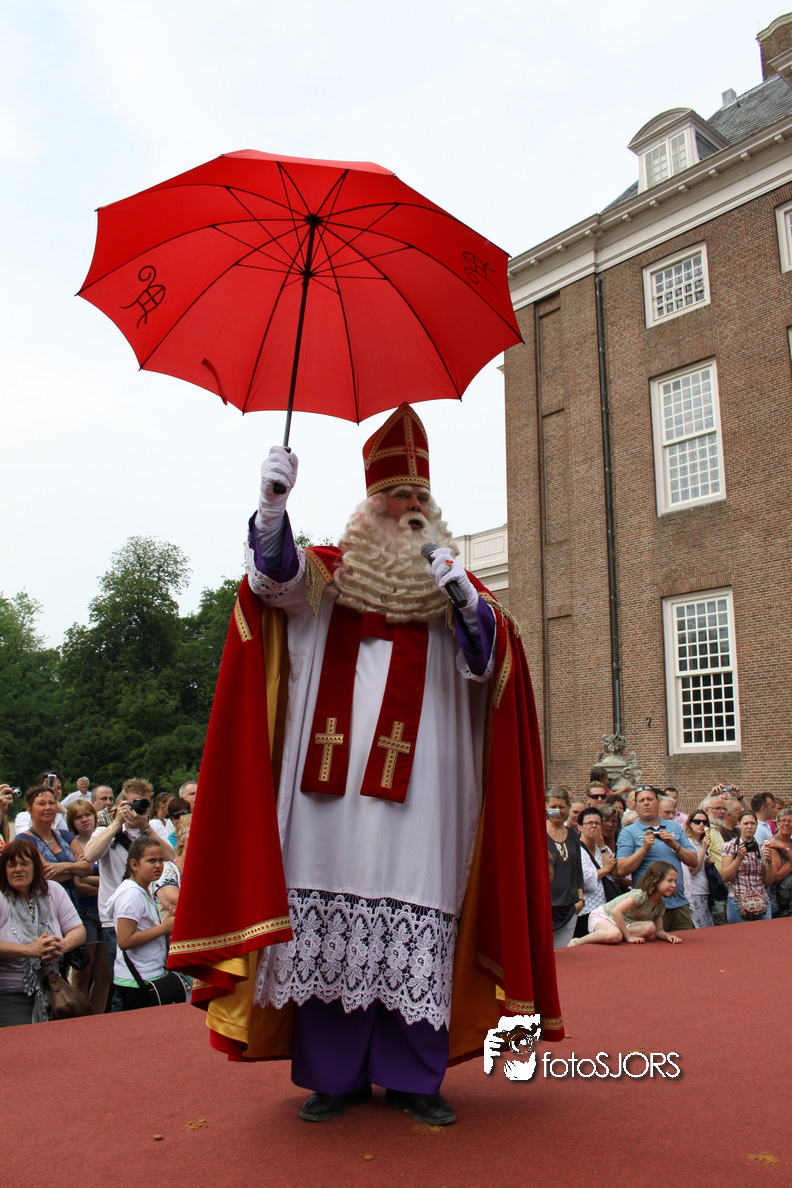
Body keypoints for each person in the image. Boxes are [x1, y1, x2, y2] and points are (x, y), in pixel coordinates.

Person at [169, 403, 562, 1127]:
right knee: (326, 930)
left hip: (426, 800)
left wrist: (467, 603)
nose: (408, 508)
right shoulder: (325, 580)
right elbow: (271, 581)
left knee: (420, 919)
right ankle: (335, 1076)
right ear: (368, 506)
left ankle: (415, 1077)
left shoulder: (458, 595)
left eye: (419, 498)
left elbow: (492, 667)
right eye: (394, 497)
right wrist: (271, 509)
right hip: (327, 802)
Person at [0, 837, 85, 1025]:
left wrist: (58, 947)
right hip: (11, 993)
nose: (18, 869)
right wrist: (28, 950)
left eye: (24, 863)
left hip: (54, 986)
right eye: (11, 865)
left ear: (36, 867)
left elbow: (78, 930)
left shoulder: (53, 890)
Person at [107, 837, 180, 1011]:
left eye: (160, 860)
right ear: (134, 865)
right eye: (151, 861)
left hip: (149, 974)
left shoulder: (142, 890)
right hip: (136, 980)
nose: (158, 865)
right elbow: (125, 940)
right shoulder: (131, 894)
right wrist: (162, 928)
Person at [615, 785, 698, 930]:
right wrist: (644, 849)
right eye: (641, 801)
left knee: (686, 942)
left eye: (650, 799)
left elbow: (694, 861)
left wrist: (675, 845)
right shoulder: (628, 832)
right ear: (636, 806)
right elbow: (621, 869)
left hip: (678, 904)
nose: (646, 803)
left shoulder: (674, 827)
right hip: (648, 907)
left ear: (658, 803)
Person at [66, 798, 112, 1014]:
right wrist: (106, 884)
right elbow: (79, 886)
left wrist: (94, 881)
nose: (84, 820)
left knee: (105, 975)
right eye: (78, 817)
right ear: (72, 822)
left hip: (105, 912)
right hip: (85, 912)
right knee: (82, 974)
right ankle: (78, 1019)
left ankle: (97, 1018)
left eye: (87, 815)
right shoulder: (74, 846)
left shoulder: (105, 840)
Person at [569, 862, 683, 947]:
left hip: (622, 923)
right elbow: (616, 912)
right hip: (604, 916)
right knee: (615, 935)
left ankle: (617, 933)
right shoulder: (640, 895)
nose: (674, 885)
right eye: (669, 881)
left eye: (675, 881)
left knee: (650, 927)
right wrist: (628, 937)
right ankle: (578, 941)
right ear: (656, 880)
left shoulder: (660, 904)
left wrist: (667, 936)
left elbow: (658, 931)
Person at [21, 785, 90, 903]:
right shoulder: (24, 840)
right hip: (45, 903)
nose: (47, 807)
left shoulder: (65, 836)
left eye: (51, 803)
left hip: (71, 903)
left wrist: (64, 866)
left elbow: (87, 868)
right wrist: (75, 870)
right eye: (41, 804)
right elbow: (47, 874)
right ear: (29, 809)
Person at [546, 788, 584, 948]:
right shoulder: (538, 832)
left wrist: (580, 900)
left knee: (565, 954)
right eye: (553, 807)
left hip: (569, 907)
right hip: (546, 908)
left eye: (561, 807)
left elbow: (578, 870)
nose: (557, 811)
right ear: (546, 807)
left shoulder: (573, 835)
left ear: (568, 807)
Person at [720, 811, 774, 923]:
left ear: (757, 825)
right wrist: (738, 859)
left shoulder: (761, 848)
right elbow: (725, 877)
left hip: (761, 900)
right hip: (738, 901)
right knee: (741, 934)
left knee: (766, 933)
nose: (749, 827)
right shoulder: (730, 846)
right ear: (739, 825)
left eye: (752, 823)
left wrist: (769, 863)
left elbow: (768, 881)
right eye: (746, 823)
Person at [575, 806, 617, 939]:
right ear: (580, 827)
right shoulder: (576, 850)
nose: (594, 826)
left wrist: (602, 847)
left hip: (605, 909)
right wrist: (605, 870)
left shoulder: (603, 848)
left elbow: (614, 872)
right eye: (589, 823)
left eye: (597, 823)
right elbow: (585, 879)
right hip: (585, 911)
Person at [682, 810, 714, 928]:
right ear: (690, 824)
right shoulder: (688, 842)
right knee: (700, 928)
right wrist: (704, 849)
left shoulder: (701, 843)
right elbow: (693, 870)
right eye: (697, 821)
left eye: (705, 822)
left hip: (706, 891)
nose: (701, 825)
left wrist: (708, 861)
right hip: (695, 892)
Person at [766, 807, 792, 916]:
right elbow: (776, 877)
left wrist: (784, 847)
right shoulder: (772, 844)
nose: (786, 824)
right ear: (777, 823)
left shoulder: (786, 843)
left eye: (790, 821)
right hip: (777, 902)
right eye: (783, 820)